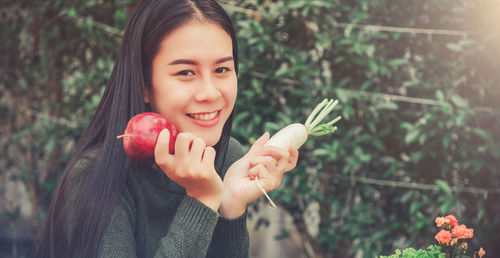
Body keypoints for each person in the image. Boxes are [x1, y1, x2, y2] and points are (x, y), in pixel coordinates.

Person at [36, 0, 298, 257]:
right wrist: (202, 201)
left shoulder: (228, 160)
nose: (210, 92)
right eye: (186, 72)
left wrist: (230, 204)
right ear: (144, 84)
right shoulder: (95, 178)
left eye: (221, 69)